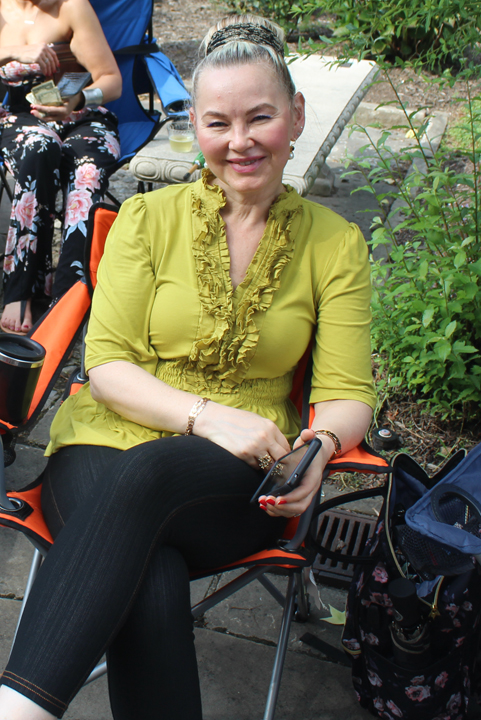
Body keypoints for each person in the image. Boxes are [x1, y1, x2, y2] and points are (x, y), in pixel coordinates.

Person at [0, 13, 376, 720]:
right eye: (217, 122)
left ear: (294, 118)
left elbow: (348, 391)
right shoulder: (147, 219)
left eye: (259, 117)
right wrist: (206, 416)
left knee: (147, 489)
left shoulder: (335, 244)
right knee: (149, 575)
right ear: (194, 126)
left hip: (239, 476)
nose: (239, 142)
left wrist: (320, 448)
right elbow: (107, 366)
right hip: (103, 442)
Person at [0, 0, 122, 335]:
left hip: (80, 115)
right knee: (40, 147)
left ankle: (70, 294)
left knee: (87, 173)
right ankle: (20, 288)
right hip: (20, 119)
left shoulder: (72, 7)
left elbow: (112, 80)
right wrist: (15, 51)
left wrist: (78, 100)